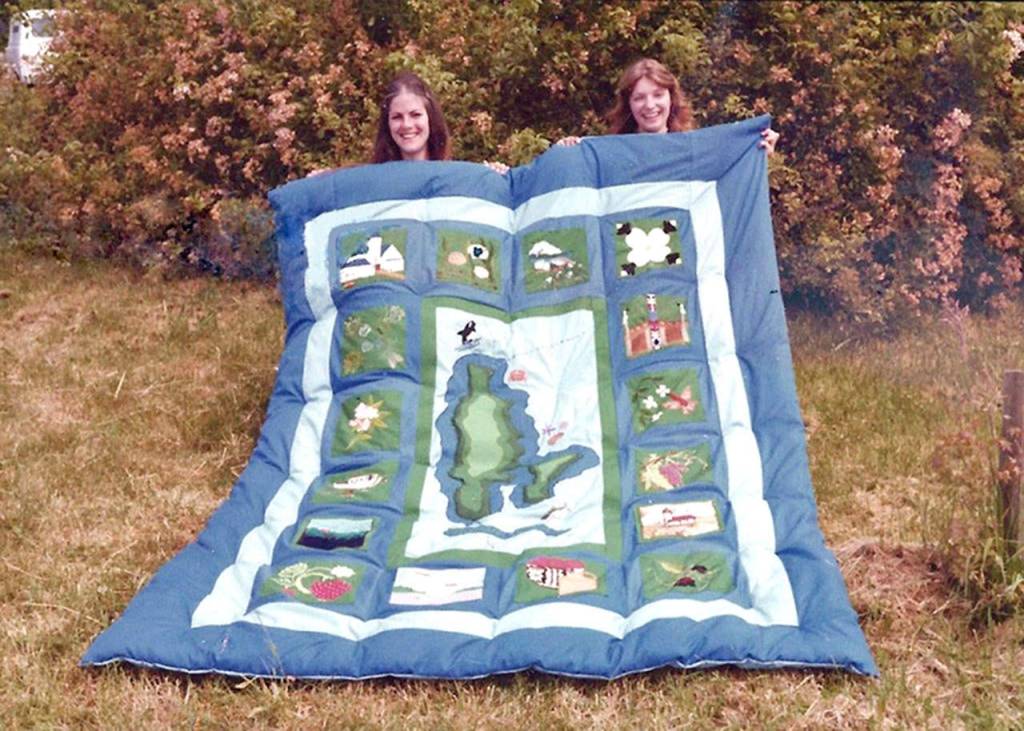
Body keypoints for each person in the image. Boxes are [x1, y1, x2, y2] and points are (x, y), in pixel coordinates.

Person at [557, 58, 779, 153]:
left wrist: (754, 150)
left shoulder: (694, 151)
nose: (650, 105)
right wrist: (568, 154)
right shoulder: (610, 153)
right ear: (628, 104)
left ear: (671, 98)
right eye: (639, 97)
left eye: (658, 95)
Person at [371, 70, 508, 173]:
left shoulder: (456, 178)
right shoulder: (373, 184)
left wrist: (494, 177)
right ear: (387, 124)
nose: (407, 124)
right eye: (397, 117)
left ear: (430, 118)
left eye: (415, 115)